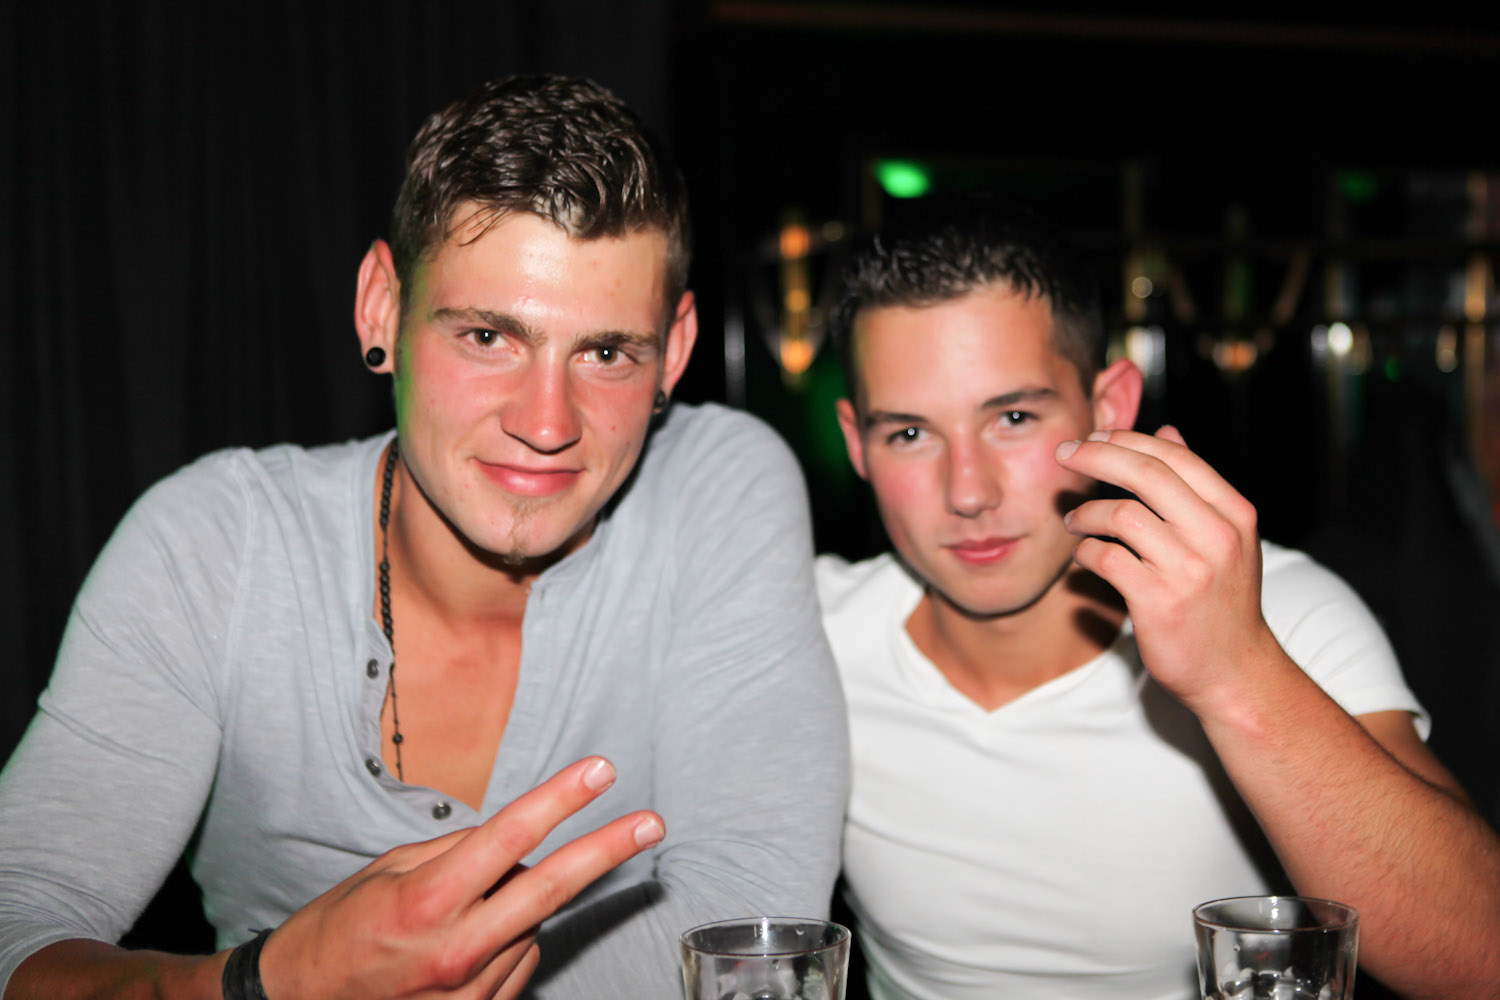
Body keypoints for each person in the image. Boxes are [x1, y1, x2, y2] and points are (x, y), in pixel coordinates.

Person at [0, 75, 848, 1000]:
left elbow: (752, 929)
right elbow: (16, 926)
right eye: (487, 337)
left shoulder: (715, 486)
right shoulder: (219, 544)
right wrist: (269, 983)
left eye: (606, 353)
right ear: (382, 307)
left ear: (674, 352)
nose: (547, 423)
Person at [816, 196, 1500, 1000]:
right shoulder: (802, 633)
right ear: (856, 441)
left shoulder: (1277, 611)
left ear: (1109, 407)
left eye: (1013, 417)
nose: (967, 492)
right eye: (909, 433)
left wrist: (1237, 676)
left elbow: (1481, 958)